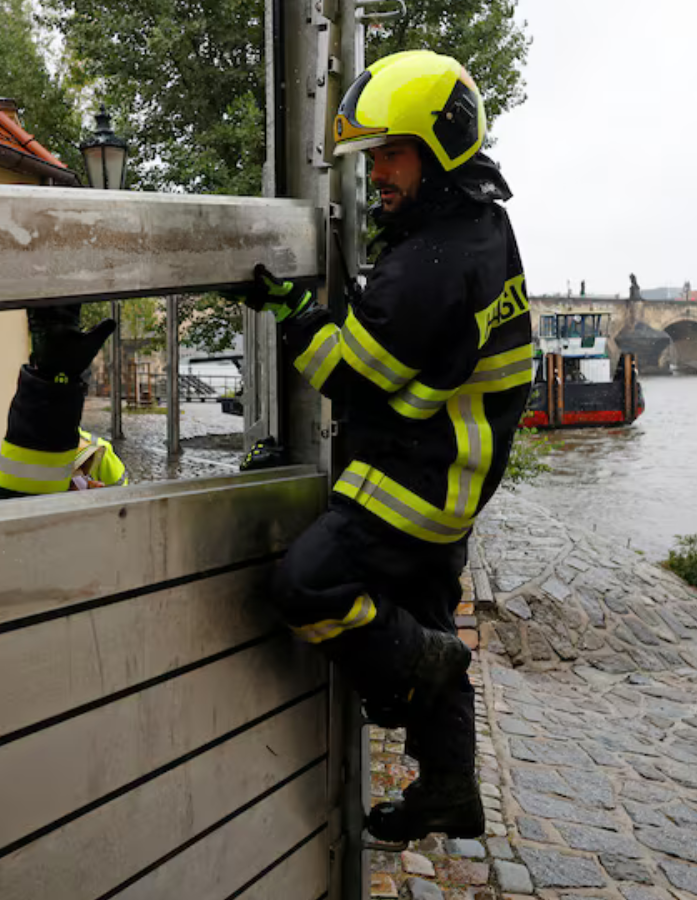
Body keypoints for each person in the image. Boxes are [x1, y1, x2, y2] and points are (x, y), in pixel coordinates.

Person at [228, 49, 532, 843]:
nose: (378, 176)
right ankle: (450, 788)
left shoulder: (427, 266)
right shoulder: (482, 227)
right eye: (374, 159)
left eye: (391, 154)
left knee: (307, 588)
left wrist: (293, 311)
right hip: (457, 484)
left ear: (440, 150)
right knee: (431, 615)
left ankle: (410, 674)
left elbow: (349, 374)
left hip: (409, 482)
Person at [0, 304, 127, 500]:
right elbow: (2, 519)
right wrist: (55, 380)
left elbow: (128, 515)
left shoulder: (101, 455)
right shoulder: (2, 476)